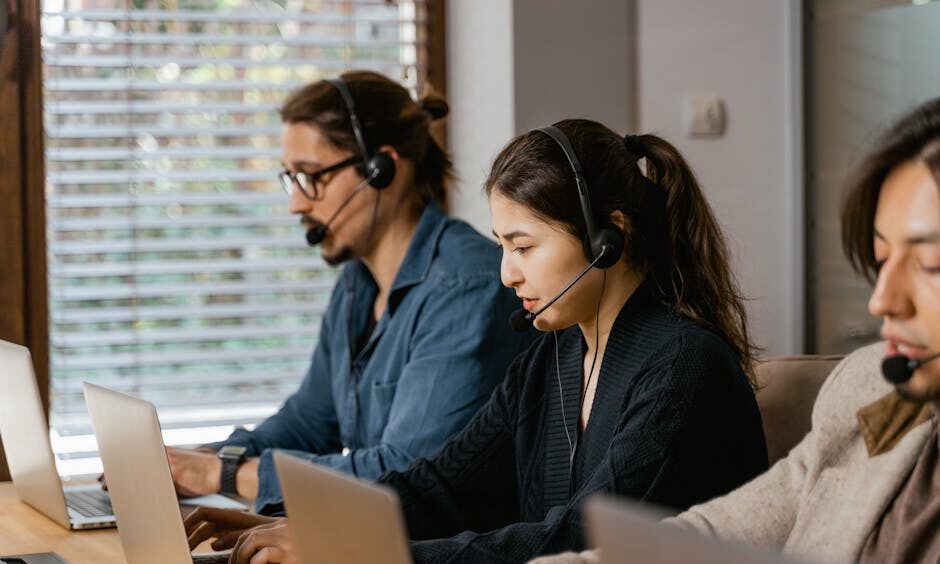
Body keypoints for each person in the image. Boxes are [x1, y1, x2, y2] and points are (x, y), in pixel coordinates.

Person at [183, 119, 769, 563]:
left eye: (524, 246)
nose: (506, 274)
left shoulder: (683, 366)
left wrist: (357, 550)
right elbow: (441, 484)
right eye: (501, 246)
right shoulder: (557, 353)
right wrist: (305, 522)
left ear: (606, 240)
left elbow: (583, 539)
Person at [533, 97, 940, 564]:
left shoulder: (680, 357)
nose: (882, 300)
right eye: (882, 259)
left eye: (930, 265)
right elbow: (717, 530)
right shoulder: (872, 390)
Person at [162, 70, 534, 513]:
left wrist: (222, 476)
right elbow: (307, 422)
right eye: (292, 178)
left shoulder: (466, 289)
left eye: (311, 176)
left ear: (382, 170)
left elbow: (403, 474)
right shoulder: (357, 286)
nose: (297, 203)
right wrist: (205, 459)